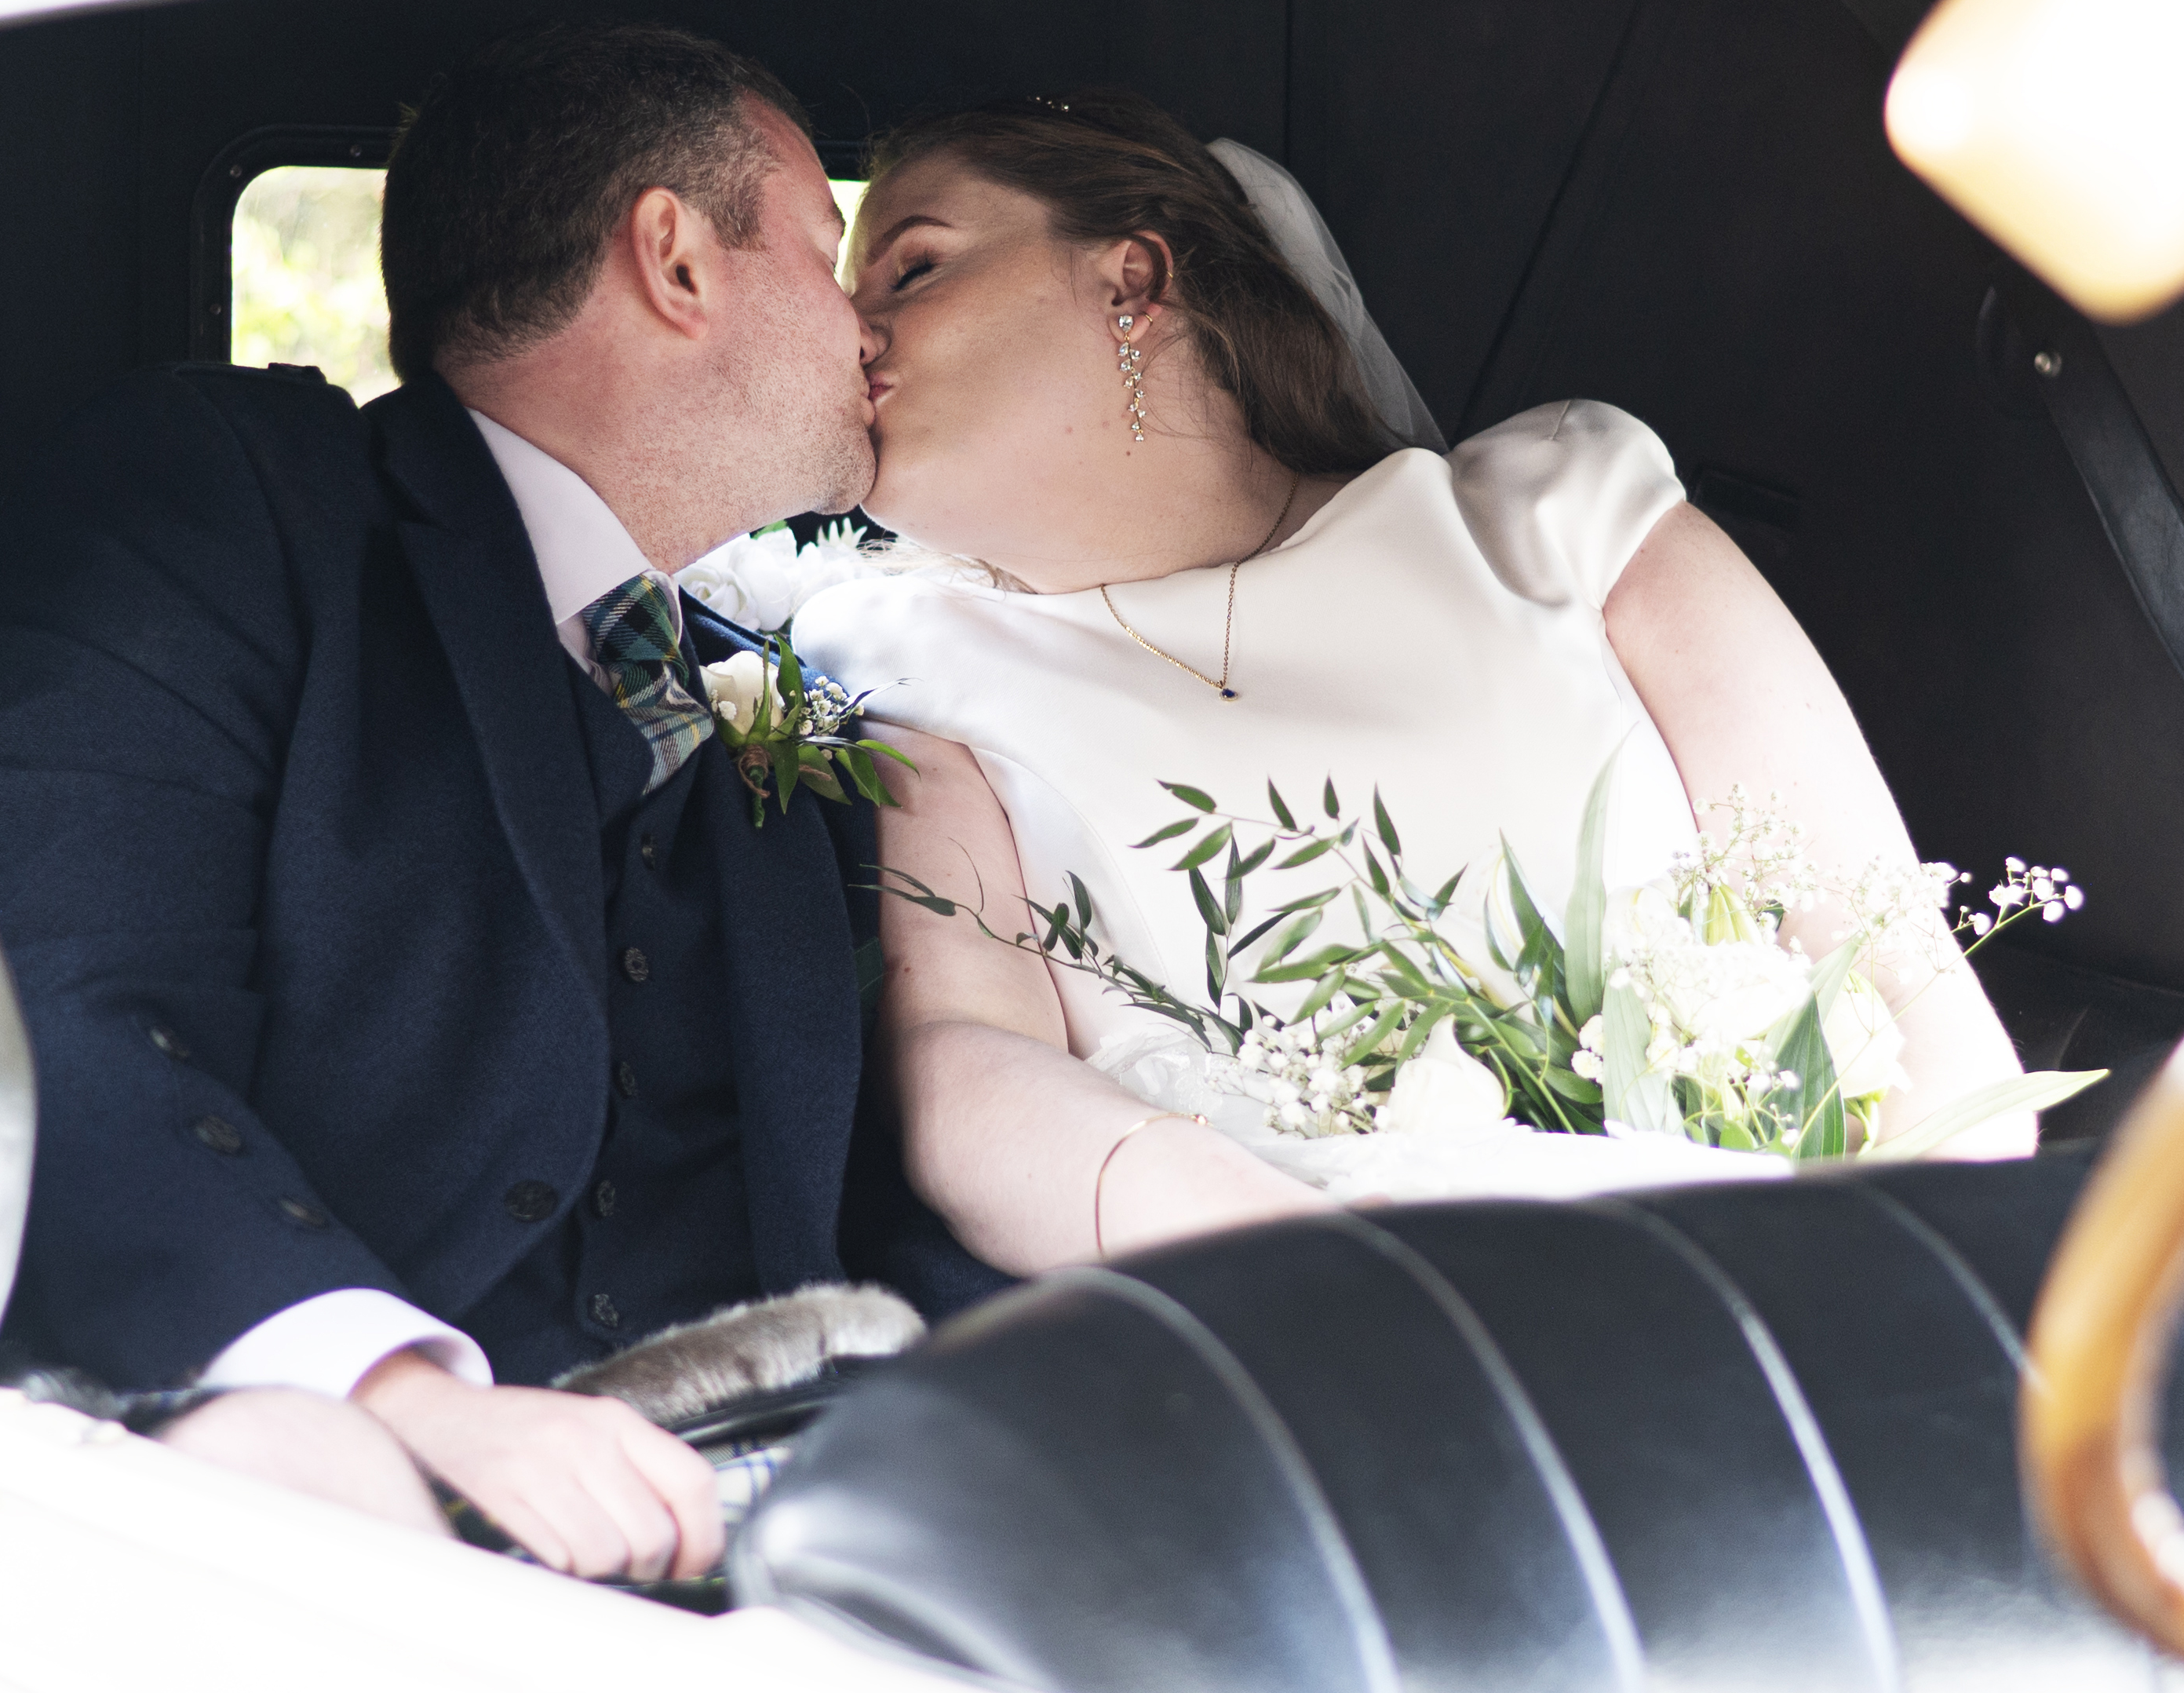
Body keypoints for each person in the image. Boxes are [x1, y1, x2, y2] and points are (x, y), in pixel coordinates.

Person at [0, 22, 981, 1582]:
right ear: (676, 262)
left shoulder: (792, 688)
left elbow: (899, 1175)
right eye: (830, 263)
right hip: (332, 1523)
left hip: (785, 1536)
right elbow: (38, 1021)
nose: (868, 340)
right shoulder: (230, 507)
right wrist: (413, 1403)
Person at [775, 90, 2036, 1275]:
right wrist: (1326, 1266)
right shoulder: (913, 680)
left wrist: (1892, 1298)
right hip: (1318, 1355)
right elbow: (964, 1061)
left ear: (1135, 279)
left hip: (1771, 1291)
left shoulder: (1570, 520)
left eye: (914, 266)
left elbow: (1900, 978)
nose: (852, 328)